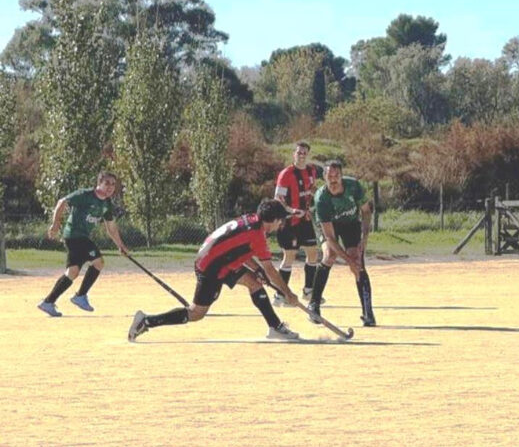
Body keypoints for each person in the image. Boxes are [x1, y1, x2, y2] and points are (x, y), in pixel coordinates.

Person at [128, 199, 300, 342]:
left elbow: (239, 250)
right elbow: (270, 269)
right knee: (196, 313)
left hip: (218, 260)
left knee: (254, 283)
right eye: (280, 220)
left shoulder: (251, 220)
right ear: (273, 220)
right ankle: (146, 321)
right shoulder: (258, 236)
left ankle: (275, 327)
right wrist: (288, 293)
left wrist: (256, 269)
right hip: (211, 267)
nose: (281, 224)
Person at [38, 171, 130, 317]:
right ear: (99, 183)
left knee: (72, 272)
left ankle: (48, 302)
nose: (110, 187)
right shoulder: (85, 195)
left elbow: (111, 227)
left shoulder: (106, 204)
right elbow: (62, 202)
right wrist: (55, 224)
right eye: (107, 183)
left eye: (113, 184)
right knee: (98, 262)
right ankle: (80, 296)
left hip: (79, 238)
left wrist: (121, 245)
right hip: (75, 236)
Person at [308, 160, 376, 326]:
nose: (333, 180)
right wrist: (348, 262)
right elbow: (330, 238)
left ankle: (368, 312)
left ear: (341, 176)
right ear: (324, 177)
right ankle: (314, 304)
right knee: (329, 255)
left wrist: (364, 240)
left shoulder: (354, 187)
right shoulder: (321, 198)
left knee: (358, 261)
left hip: (351, 223)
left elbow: (366, 211)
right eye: (329, 176)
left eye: (336, 176)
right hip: (328, 226)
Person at [272, 141, 323, 306]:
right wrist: (291, 210)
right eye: (299, 153)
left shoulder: (311, 171)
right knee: (290, 256)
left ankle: (308, 291)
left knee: (313, 253)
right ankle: (280, 294)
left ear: (307, 155)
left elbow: (311, 190)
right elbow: (278, 199)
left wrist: (314, 203)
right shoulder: (286, 174)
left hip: (305, 220)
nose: (301, 156)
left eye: (304, 153)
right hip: (289, 221)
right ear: (294, 154)